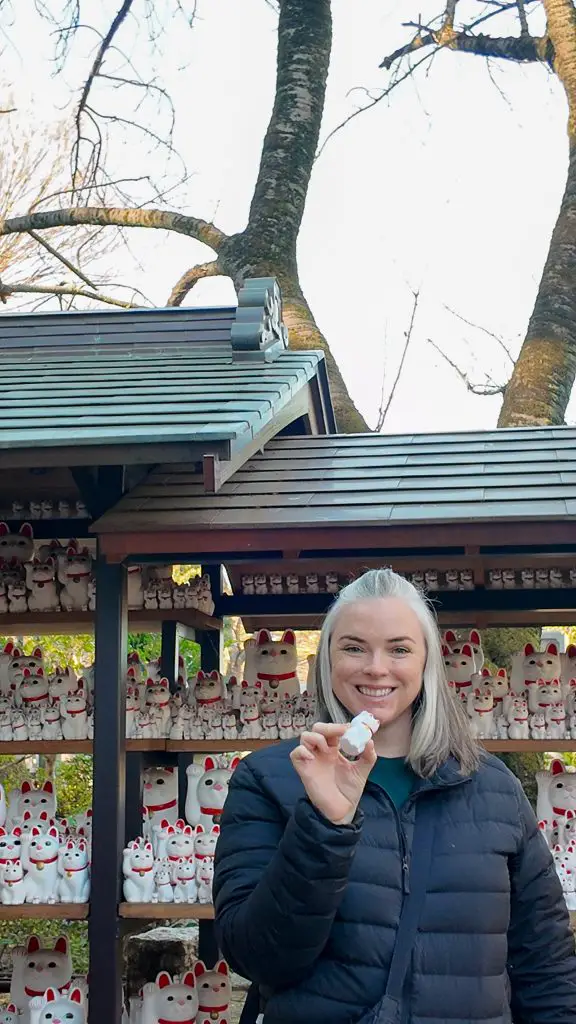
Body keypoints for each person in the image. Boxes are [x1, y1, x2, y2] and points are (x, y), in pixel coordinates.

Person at [213, 569, 576, 1024]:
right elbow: (256, 957)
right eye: (353, 647)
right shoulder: (270, 779)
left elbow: (546, 966)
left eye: (399, 649)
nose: (376, 667)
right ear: (326, 659)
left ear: (427, 663)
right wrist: (324, 826)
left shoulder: (492, 787)